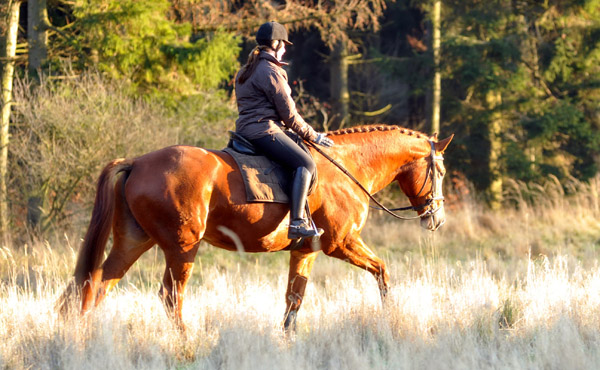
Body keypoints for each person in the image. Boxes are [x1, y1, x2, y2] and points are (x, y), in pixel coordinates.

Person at [234, 21, 334, 239]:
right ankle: (297, 222)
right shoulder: (270, 71)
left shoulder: (247, 69)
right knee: (305, 163)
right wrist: (313, 135)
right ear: (277, 43)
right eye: (284, 44)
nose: (286, 49)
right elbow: (289, 116)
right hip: (264, 131)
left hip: (244, 131)